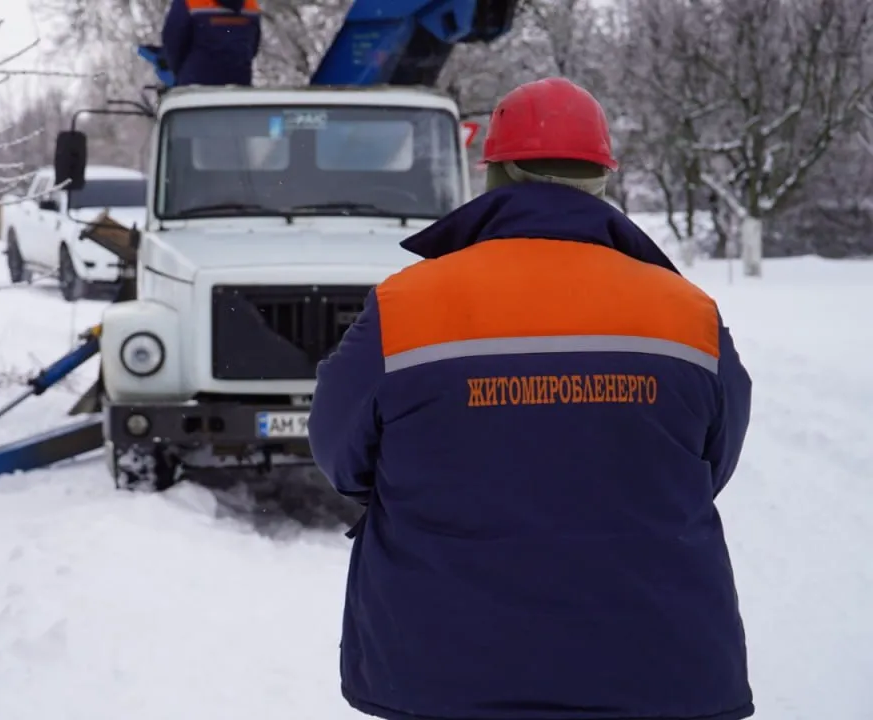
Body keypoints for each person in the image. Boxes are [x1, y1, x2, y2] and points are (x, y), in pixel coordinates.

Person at [308, 76, 755, 720]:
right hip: (656, 667)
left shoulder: (408, 305)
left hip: (445, 665)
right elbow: (712, 462)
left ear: (498, 171)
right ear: (602, 176)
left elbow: (339, 452)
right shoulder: (687, 312)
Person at [161, 0, 261, 87]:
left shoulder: (189, 2)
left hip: (195, 85)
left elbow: (173, 43)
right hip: (239, 84)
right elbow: (253, 45)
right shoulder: (250, 4)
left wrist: (180, 72)